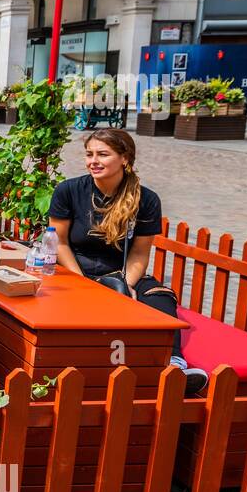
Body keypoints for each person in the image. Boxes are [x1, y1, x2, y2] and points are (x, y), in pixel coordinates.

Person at [48, 128, 209, 394]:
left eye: (103, 154)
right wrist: (83, 284)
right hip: (75, 270)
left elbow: (139, 252)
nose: (93, 161)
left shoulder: (145, 199)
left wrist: (126, 286)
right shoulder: (69, 191)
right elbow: (60, 242)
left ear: (125, 158)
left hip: (120, 271)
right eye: (89, 154)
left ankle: (175, 367)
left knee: (160, 298)